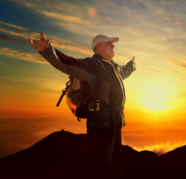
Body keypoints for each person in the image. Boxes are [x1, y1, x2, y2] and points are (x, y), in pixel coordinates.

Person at [28, 31, 136, 179]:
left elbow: (123, 72)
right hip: (99, 128)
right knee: (98, 169)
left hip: (115, 126)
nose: (113, 45)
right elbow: (67, 63)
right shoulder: (92, 65)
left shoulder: (113, 68)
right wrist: (47, 49)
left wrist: (132, 65)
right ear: (98, 47)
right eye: (109, 42)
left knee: (116, 169)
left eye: (112, 43)